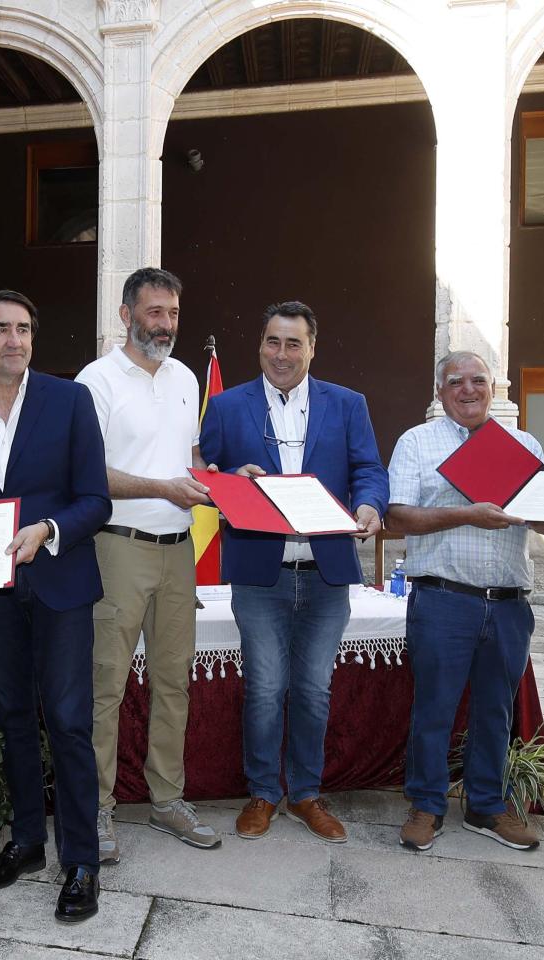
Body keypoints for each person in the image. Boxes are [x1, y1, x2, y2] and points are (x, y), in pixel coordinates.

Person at [0, 290, 110, 923]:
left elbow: (95, 500)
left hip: (60, 582)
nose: (15, 340)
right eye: (1, 329)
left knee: (67, 721)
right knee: (11, 715)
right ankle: (29, 842)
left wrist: (50, 530)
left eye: (24, 329)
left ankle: (81, 861)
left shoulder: (70, 400)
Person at [198, 300, 387, 843]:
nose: (282, 354)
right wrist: (233, 475)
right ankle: (262, 793)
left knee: (312, 690)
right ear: (260, 345)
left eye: (293, 343)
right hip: (261, 574)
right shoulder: (228, 406)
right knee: (264, 688)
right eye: (272, 342)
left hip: (327, 572)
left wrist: (371, 505)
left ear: (312, 348)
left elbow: (369, 470)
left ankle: (304, 794)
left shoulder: (347, 404)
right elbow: (208, 475)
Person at [76, 267, 219, 861]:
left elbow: (191, 459)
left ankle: (166, 801)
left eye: (174, 313)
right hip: (117, 546)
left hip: (177, 550)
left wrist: (227, 484)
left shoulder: (186, 378)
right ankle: (98, 811)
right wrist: (164, 488)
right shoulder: (96, 381)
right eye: (155, 312)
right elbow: (87, 474)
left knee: (173, 683)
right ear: (126, 315)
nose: (166, 324)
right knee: (104, 685)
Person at [387, 351, 544, 854]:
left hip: (507, 602)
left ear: (494, 387)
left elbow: (541, 517)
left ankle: (485, 805)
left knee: (495, 710)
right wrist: (466, 515)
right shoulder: (417, 442)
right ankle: (427, 805)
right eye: (456, 382)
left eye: (479, 380)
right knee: (433, 708)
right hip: (443, 598)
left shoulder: (523, 445)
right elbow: (398, 516)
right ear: (440, 391)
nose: (469, 389)